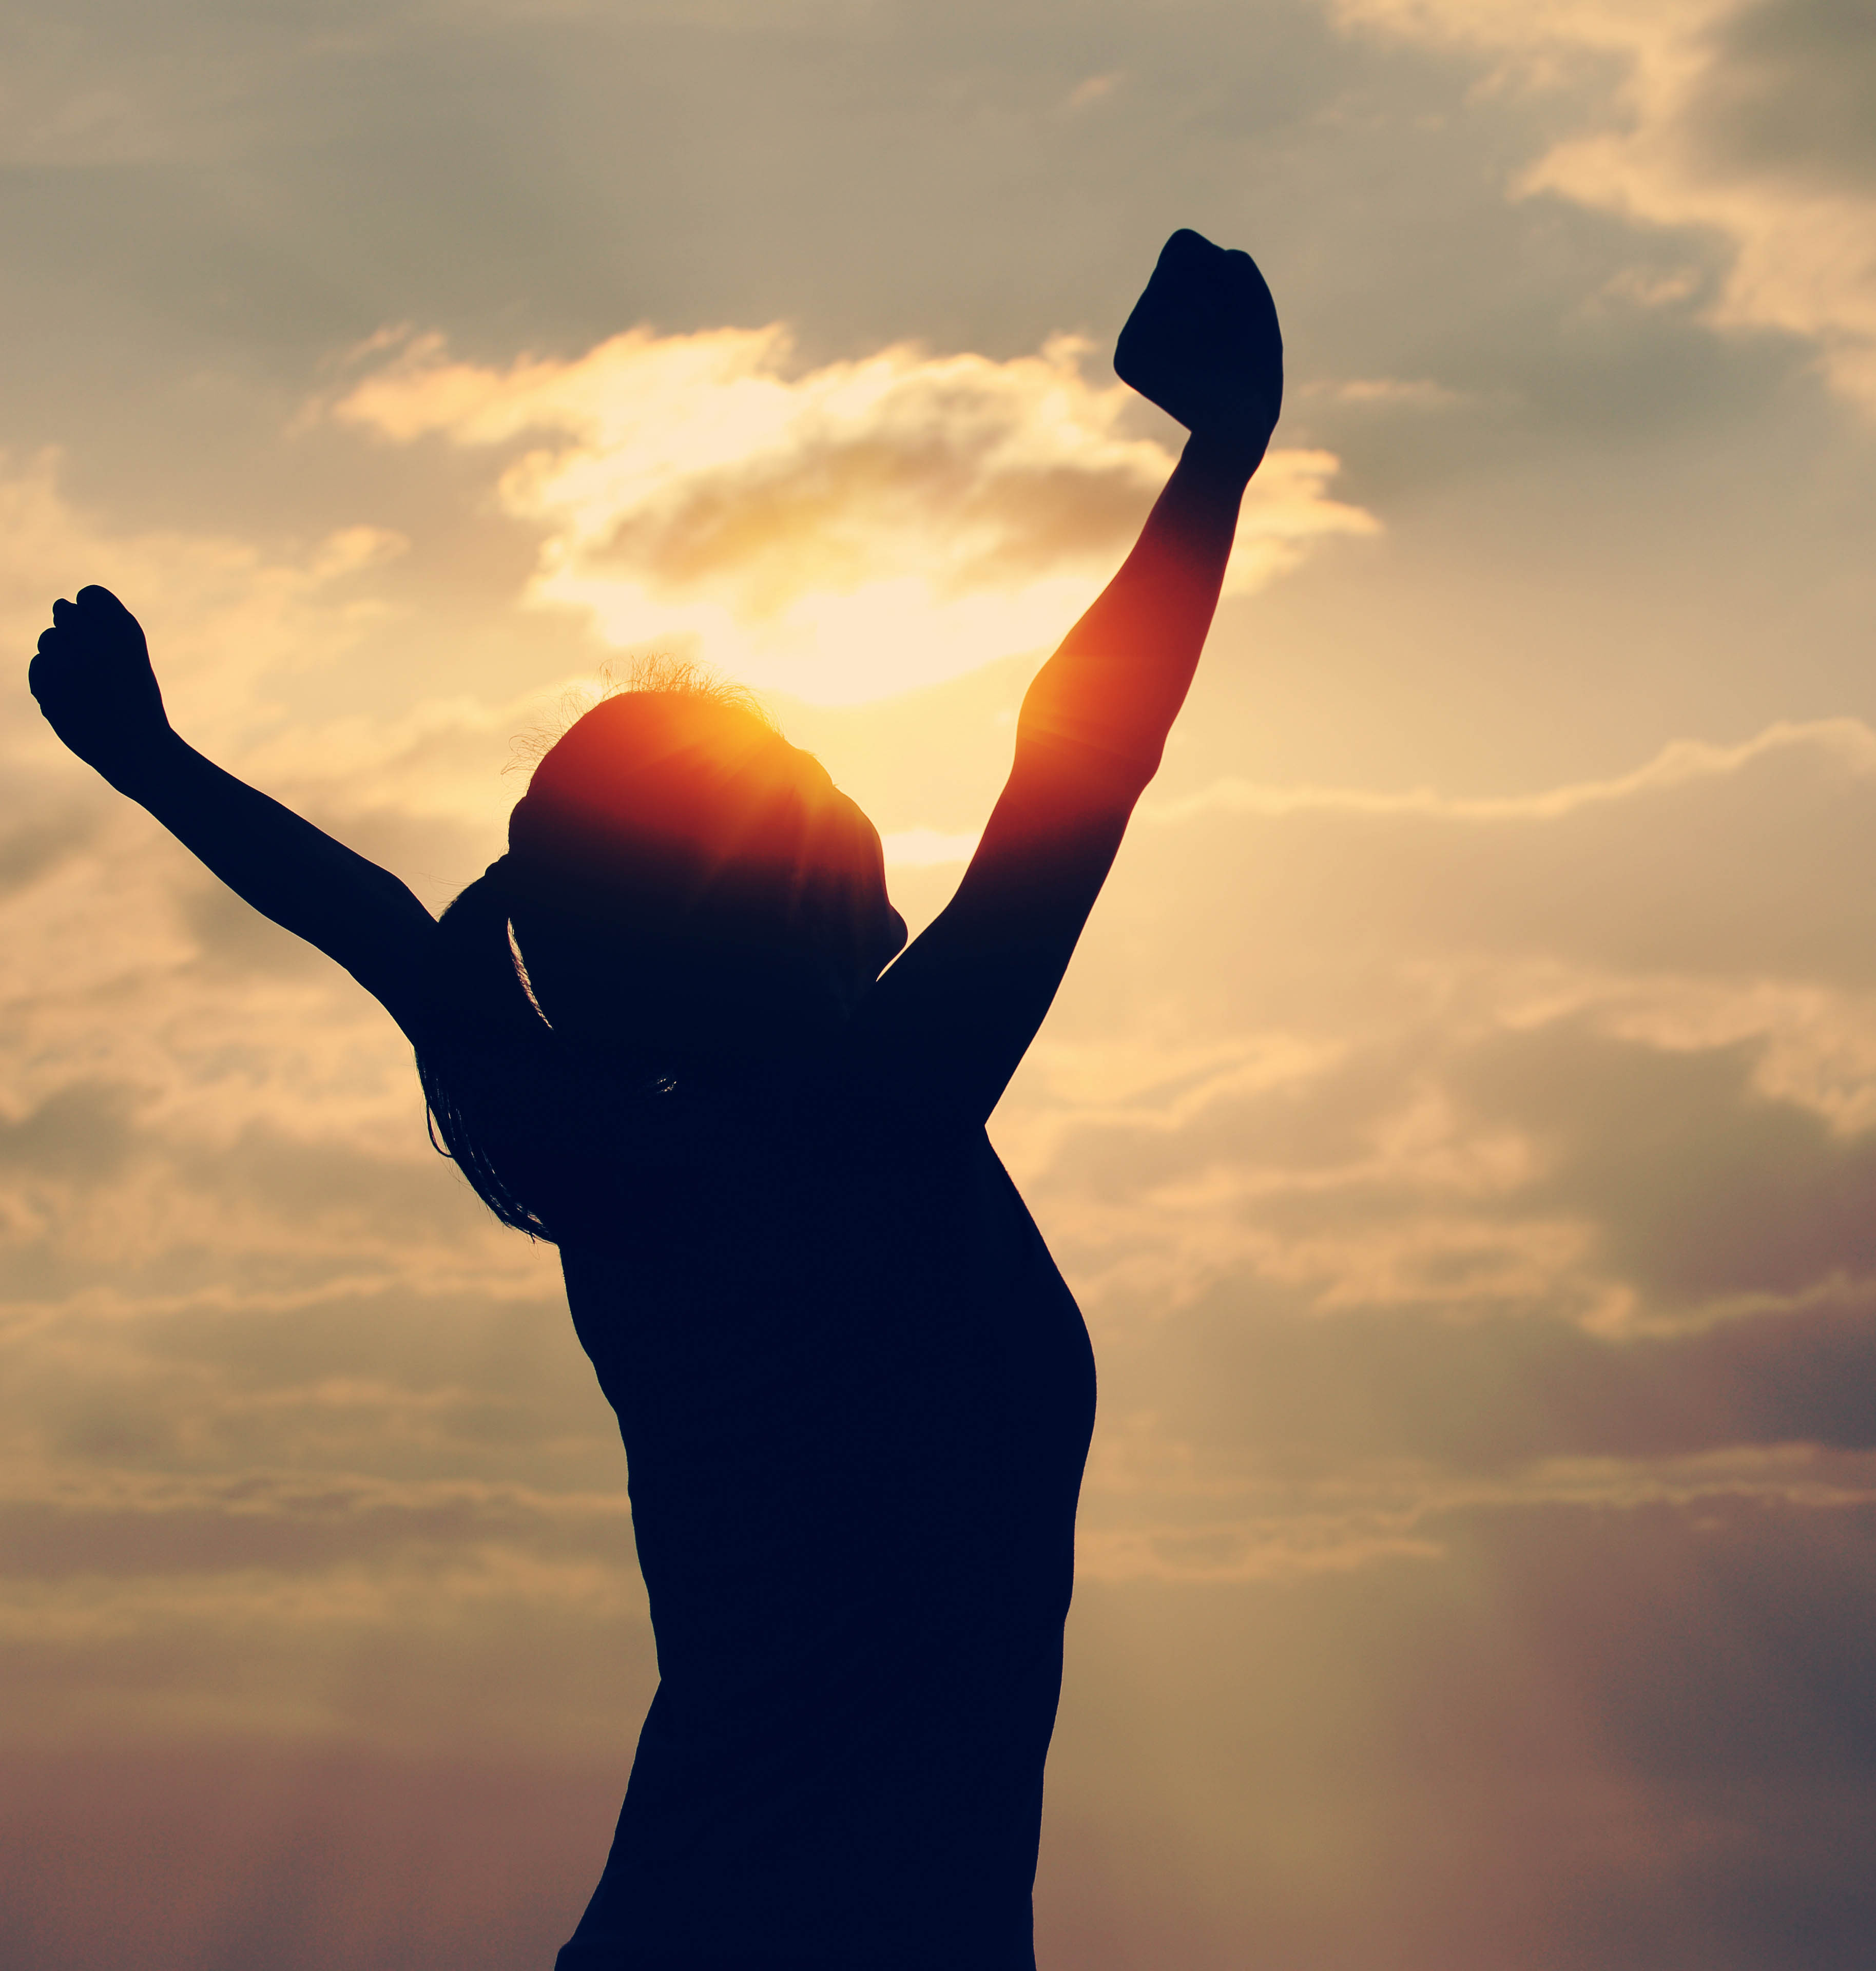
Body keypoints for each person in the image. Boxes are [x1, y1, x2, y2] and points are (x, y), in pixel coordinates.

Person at [26, 228, 1284, 1970]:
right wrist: (1220, 454)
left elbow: (383, 928)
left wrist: (150, 756)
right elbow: (1083, 759)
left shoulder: (608, 1149)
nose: (859, 812)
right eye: (814, 791)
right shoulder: (869, 1123)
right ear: (793, 885)